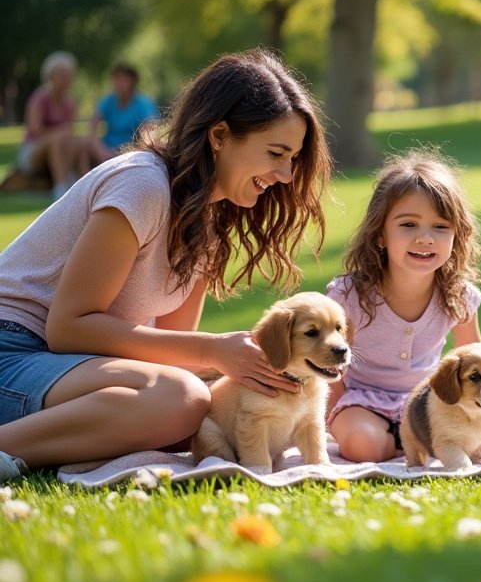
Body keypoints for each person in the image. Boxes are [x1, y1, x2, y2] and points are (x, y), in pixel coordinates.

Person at [0, 49, 332, 481]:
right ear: (219, 135)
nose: (287, 175)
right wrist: (212, 350)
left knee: (200, 410)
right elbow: (68, 328)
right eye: (276, 153)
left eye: (293, 159)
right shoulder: (143, 185)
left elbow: (171, 349)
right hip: (15, 348)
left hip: (60, 366)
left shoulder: (210, 221)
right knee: (181, 400)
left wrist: (253, 366)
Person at [325, 151, 481, 463]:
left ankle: (434, 441)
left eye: (440, 227)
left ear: (457, 234)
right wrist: (332, 419)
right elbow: (330, 371)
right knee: (364, 445)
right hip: (364, 403)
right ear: (380, 234)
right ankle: (425, 444)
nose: (425, 238)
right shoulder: (350, 295)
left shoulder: (458, 295)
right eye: (409, 224)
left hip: (433, 403)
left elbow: (474, 357)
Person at [17, 51, 89, 197]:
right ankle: (61, 187)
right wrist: (59, 132)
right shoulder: (39, 98)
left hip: (62, 148)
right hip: (33, 151)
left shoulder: (70, 103)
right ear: (50, 75)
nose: (65, 79)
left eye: (68, 75)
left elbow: (70, 131)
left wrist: (63, 134)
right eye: (61, 74)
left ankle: (86, 185)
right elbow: (36, 130)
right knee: (58, 139)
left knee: (80, 143)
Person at [89, 62, 159, 165]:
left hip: (130, 151)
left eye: (123, 79)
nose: (118, 83)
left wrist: (137, 151)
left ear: (133, 82)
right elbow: (93, 125)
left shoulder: (143, 103)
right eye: (115, 79)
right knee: (82, 146)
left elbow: (149, 132)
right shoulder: (108, 101)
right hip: (106, 148)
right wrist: (99, 149)